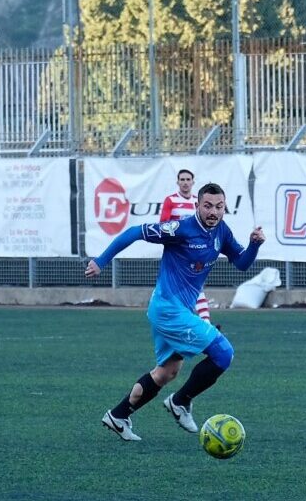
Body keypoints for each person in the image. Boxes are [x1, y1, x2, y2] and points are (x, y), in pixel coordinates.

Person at [86, 182, 265, 441]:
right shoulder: (180, 229)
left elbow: (242, 263)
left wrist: (254, 245)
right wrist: (101, 261)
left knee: (167, 372)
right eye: (207, 206)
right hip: (169, 309)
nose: (213, 212)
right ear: (197, 206)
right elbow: (135, 232)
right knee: (223, 353)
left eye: (219, 207)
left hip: (175, 310)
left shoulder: (221, 231)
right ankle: (180, 402)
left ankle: (119, 415)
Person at [159, 169, 212, 322]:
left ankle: (205, 323)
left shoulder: (197, 202)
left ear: (193, 182)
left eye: (188, 179)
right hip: (177, 252)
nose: (185, 182)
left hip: (195, 252)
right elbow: (163, 224)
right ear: (178, 182)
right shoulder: (171, 200)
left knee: (196, 285)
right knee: (177, 289)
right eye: (182, 179)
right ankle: (199, 323)